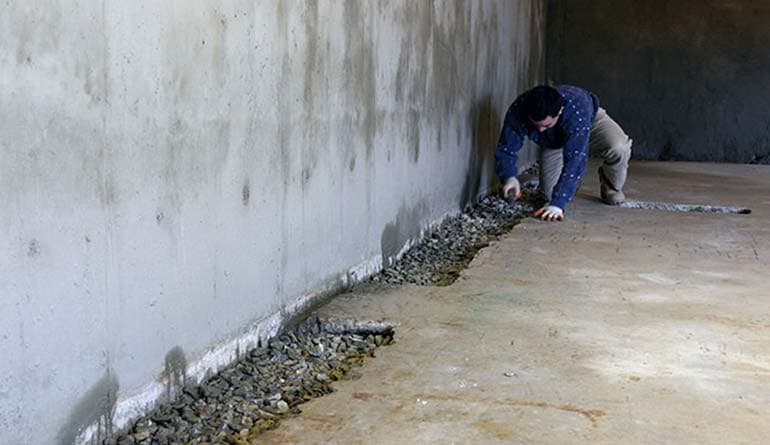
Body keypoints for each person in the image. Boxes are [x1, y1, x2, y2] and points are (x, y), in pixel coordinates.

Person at [495, 85, 632, 221]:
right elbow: (506, 147)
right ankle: (571, 186)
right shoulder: (520, 108)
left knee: (619, 147)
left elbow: (576, 159)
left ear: (560, 111)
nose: (540, 130)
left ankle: (611, 186)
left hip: (590, 122)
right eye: (536, 126)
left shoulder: (578, 108)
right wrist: (509, 177)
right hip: (554, 142)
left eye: (546, 125)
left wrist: (558, 205)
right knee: (550, 195)